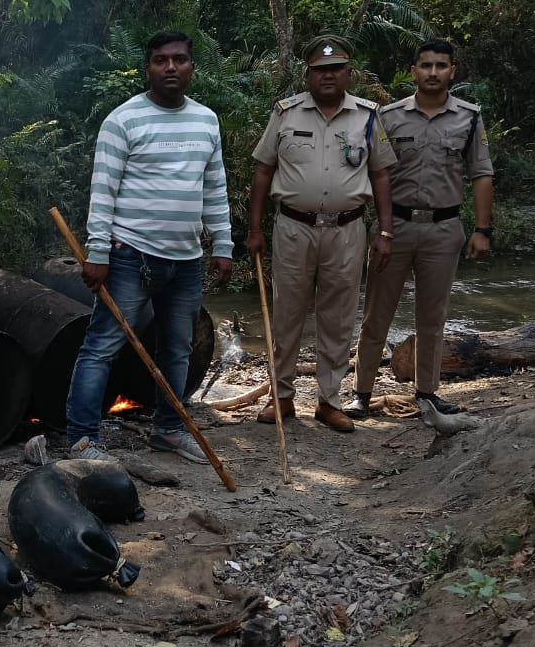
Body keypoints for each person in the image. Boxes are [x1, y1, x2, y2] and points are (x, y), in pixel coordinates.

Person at [65, 30, 235, 464]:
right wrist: (98, 251)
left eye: (179, 59)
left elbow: (214, 185)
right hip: (130, 255)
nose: (171, 67)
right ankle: (82, 440)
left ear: (192, 67)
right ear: (149, 69)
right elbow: (102, 190)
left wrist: (223, 242)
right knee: (102, 345)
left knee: (177, 347)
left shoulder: (206, 120)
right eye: (161, 60)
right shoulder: (123, 120)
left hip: (186, 259)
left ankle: (168, 431)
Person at [246, 35, 396, 433]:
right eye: (320, 70)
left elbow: (380, 173)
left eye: (336, 68)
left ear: (348, 73)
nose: (328, 75)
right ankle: (282, 397)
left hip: (348, 229)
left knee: (338, 317)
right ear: (308, 74)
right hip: (293, 227)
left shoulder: (367, 116)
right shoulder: (287, 113)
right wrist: (255, 228)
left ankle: (329, 402)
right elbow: (263, 171)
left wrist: (386, 231)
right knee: (287, 314)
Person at [345, 39, 494, 418]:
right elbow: (369, 171)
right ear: (413, 70)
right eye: (425, 65)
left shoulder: (470, 117)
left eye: (441, 66)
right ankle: (361, 393)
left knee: (433, 317)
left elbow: (481, 173)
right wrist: (377, 227)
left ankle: (426, 393)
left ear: (452, 71)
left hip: (444, 229)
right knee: (377, 313)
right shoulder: (388, 117)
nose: (432, 73)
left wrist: (482, 229)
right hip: (393, 227)